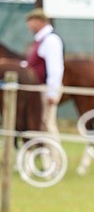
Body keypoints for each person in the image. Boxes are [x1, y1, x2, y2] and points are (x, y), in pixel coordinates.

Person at [24, 8, 64, 137]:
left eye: (30, 22)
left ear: (39, 21)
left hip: (46, 88)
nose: (28, 26)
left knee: (47, 123)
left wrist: (52, 92)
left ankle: (54, 151)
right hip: (40, 87)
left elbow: (55, 67)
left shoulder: (51, 40)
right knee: (40, 123)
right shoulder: (41, 40)